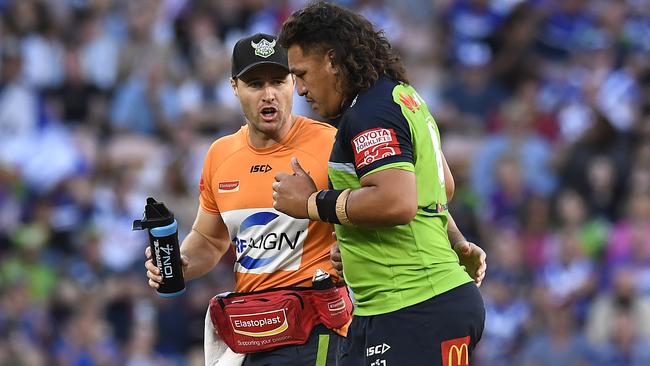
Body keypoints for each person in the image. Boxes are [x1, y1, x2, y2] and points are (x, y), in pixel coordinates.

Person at [272, 2, 486, 365]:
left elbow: (396, 203)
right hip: (408, 307)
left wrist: (312, 203)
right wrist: (455, 240)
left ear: (332, 60)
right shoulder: (402, 97)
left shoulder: (372, 112)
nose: (301, 89)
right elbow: (440, 186)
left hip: (414, 307)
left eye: (302, 73)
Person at [144, 33, 352, 366]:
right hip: (252, 332)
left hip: (318, 329)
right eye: (255, 84)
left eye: (279, 81)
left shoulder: (331, 143)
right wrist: (180, 263)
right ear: (234, 88)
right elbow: (211, 240)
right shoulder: (221, 154)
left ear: (293, 83)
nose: (269, 94)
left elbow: (377, 207)